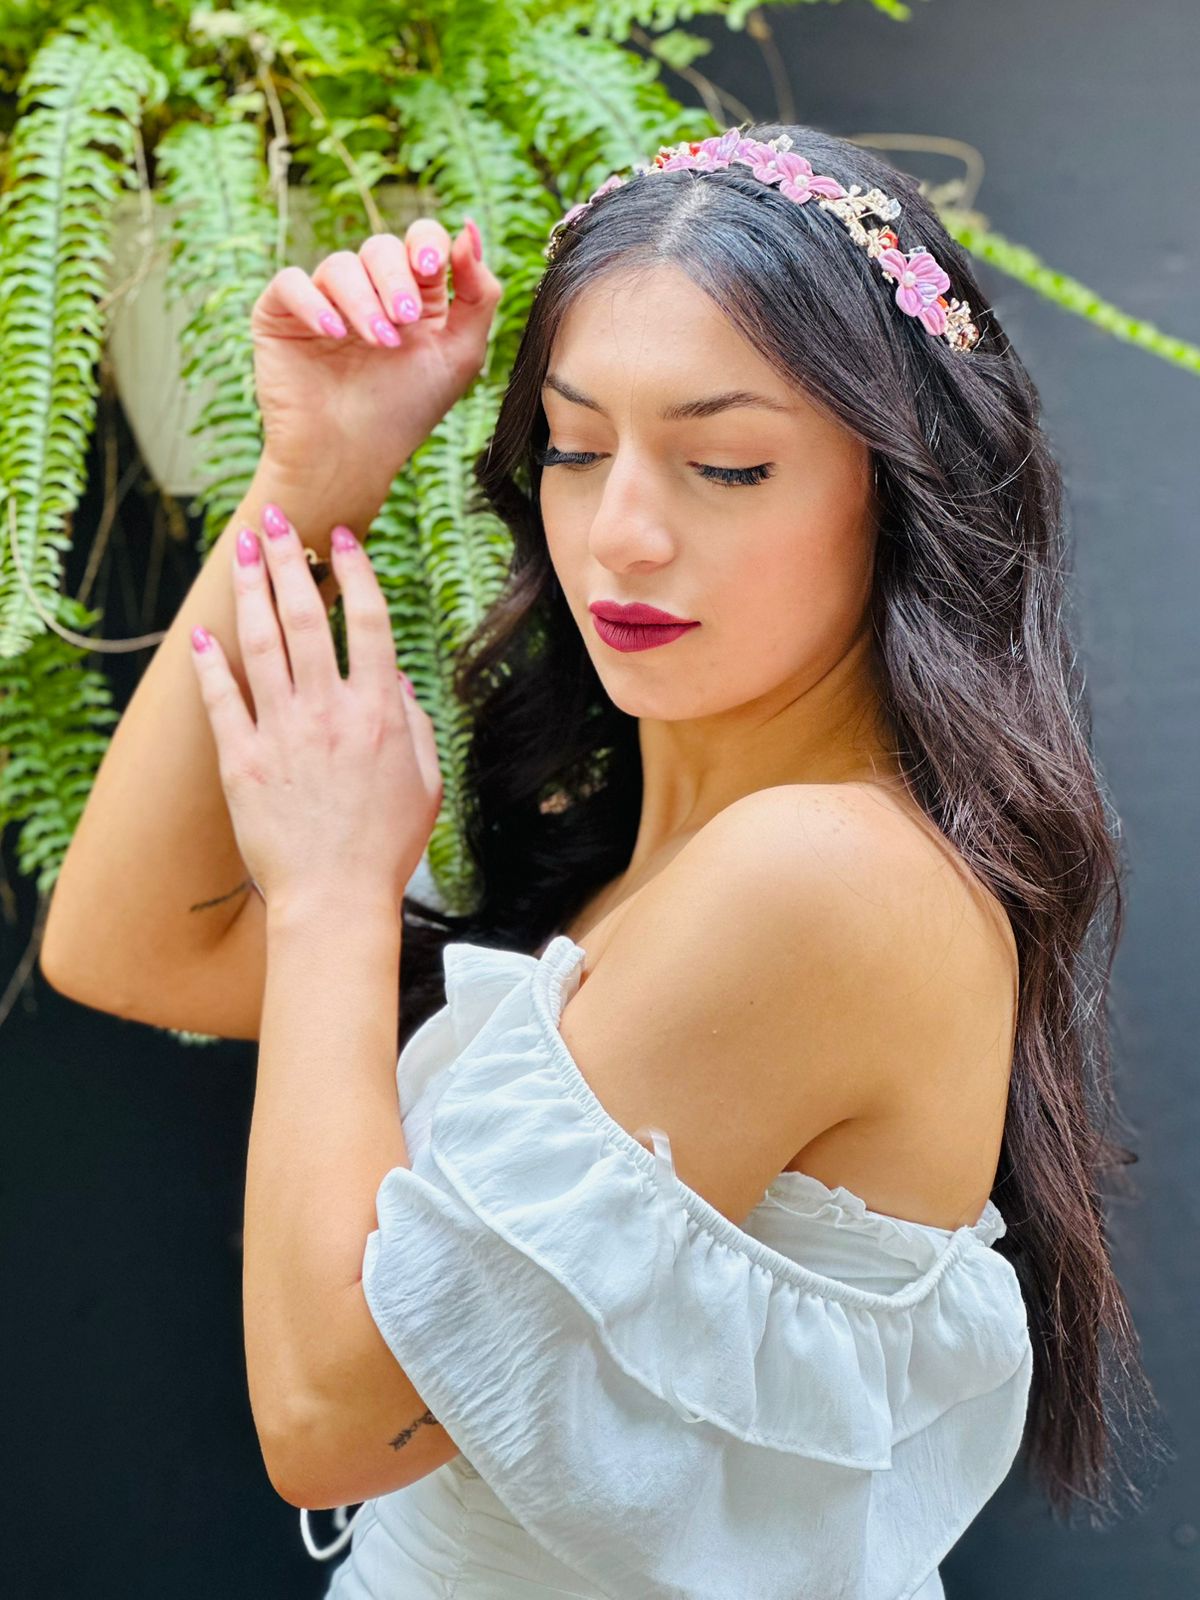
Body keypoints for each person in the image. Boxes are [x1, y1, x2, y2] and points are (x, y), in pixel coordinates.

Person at [41, 120, 1166, 1598]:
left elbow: (336, 1419)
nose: (619, 534)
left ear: (899, 486)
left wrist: (329, 896)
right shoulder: (652, 863)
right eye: (574, 448)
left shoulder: (822, 880)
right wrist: (315, 478)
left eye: (727, 464)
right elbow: (124, 943)